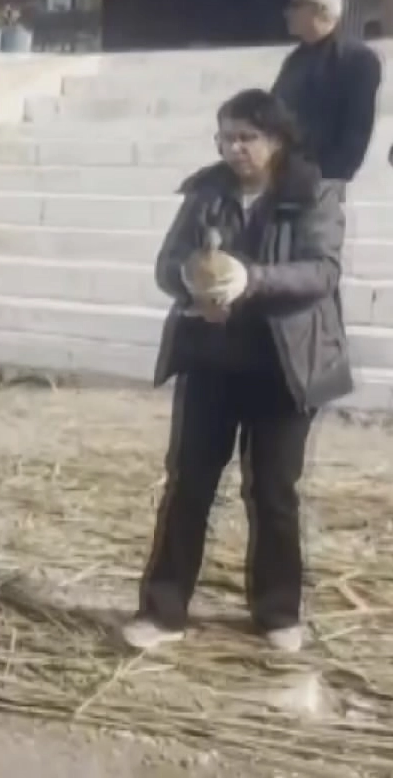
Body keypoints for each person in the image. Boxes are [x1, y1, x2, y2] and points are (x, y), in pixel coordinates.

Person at [123, 89, 351, 654]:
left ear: (276, 139)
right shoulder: (207, 192)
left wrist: (250, 281)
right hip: (211, 362)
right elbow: (167, 263)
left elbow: (321, 271)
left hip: (282, 367)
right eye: (226, 136)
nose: (235, 148)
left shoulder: (312, 192)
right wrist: (195, 285)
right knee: (188, 485)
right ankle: (163, 609)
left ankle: (277, 613)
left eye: (246, 137)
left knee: (273, 491)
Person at [270, 0, 382, 183]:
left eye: (296, 6)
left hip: (323, 178)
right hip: (286, 172)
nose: (288, 13)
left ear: (319, 10)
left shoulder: (356, 58)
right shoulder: (296, 59)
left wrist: (333, 176)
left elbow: (357, 126)